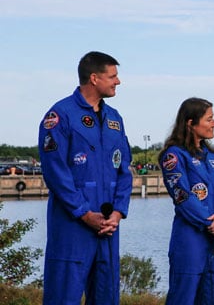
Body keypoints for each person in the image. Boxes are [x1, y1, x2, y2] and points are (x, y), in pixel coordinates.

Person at [38, 51, 133, 305]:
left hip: (108, 227)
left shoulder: (115, 119)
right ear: (94, 78)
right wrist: (83, 213)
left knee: (106, 297)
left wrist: (118, 213)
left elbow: (125, 170)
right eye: (112, 76)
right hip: (72, 228)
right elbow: (56, 172)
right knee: (63, 296)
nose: (118, 81)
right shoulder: (60, 116)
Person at [159, 98, 214, 305]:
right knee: (183, 297)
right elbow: (182, 195)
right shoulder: (174, 156)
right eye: (209, 119)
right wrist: (212, 224)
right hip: (190, 240)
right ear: (190, 123)